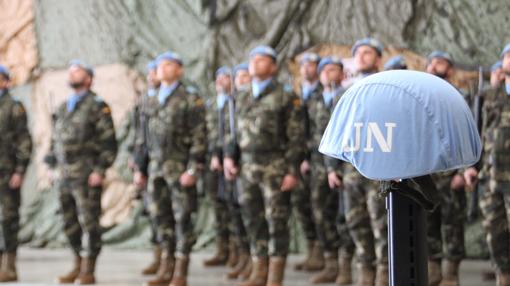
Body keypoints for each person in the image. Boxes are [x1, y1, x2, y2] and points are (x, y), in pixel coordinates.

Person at [223, 45, 305, 286]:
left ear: (273, 66)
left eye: (262, 60)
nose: (255, 63)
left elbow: (296, 137)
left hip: (275, 167)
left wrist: (292, 170)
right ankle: (259, 271)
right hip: (246, 168)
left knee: (276, 220)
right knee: (252, 219)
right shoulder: (240, 95)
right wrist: (229, 156)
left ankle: (275, 277)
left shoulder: (286, 96)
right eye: (252, 59)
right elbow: (232, 132)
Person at [133, 51, 207, 286]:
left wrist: (193, 169)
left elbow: (199, 136)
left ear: (179, 70)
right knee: (159, 217)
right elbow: (142, 138)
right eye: (160, 65)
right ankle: (166, 267)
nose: (162, 68)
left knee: (182, 218)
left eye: (168, 65)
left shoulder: (189, 98)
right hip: (155, 169)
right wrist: (140, 168)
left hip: (180, 168)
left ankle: (180, 272)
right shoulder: (150, 99)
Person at [45, 60, 117, 284]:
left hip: (86, 174)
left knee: (89, 222)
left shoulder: (97, 106)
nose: (73, 74)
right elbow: (54, 140)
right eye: (71, 71)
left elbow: (109, 143)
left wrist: (100, 170)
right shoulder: (63, 106)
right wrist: (50, 165)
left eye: (78, 71)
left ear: (89, 79)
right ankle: (77, 263)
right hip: (64, 175)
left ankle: (89, 269)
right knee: (69, 222)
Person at [465, 42, 510, 286]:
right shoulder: (489, 95)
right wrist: (471, 165)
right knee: (495, 234)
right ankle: (504, 278)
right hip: (492, 178)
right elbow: (477, 132)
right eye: (508, 56)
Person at [308, 56, 356, 285]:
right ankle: (330, 263)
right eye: (324, 70)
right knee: (320, 213)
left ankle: (346, 268)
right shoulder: (314, 98)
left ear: (342, 73)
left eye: (333, 69)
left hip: (342, 164)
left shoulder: (349, 96)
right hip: (318, 165)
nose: (328, 73)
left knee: (343, 215)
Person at [425, 50, 468, 286]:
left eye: (439, 63)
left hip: (452, 172)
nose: (433, 66)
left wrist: (463, 171)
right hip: (428, 174)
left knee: (452, 225)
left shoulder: (460, 97)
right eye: (430, 63)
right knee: (428, 223)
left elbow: (472, 136)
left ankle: (451, 273)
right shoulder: (421, 97)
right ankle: (433, 270)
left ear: (449, 69)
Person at [0, 64, 32, 282]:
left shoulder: (14, 107)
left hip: (7, 172)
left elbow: (24, 141)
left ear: (5, 82)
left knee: (9, 219)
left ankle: (9, 266)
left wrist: (19, 170)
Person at [294, 52, 325, 272]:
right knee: (302, 205)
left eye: (311, 64)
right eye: (303, 65)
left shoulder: (324, 94)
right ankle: (311, 250)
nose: (306, 68)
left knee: (320, 207)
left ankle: (323, 254)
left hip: (319, 160)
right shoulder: (297, 94)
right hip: (301, 160)